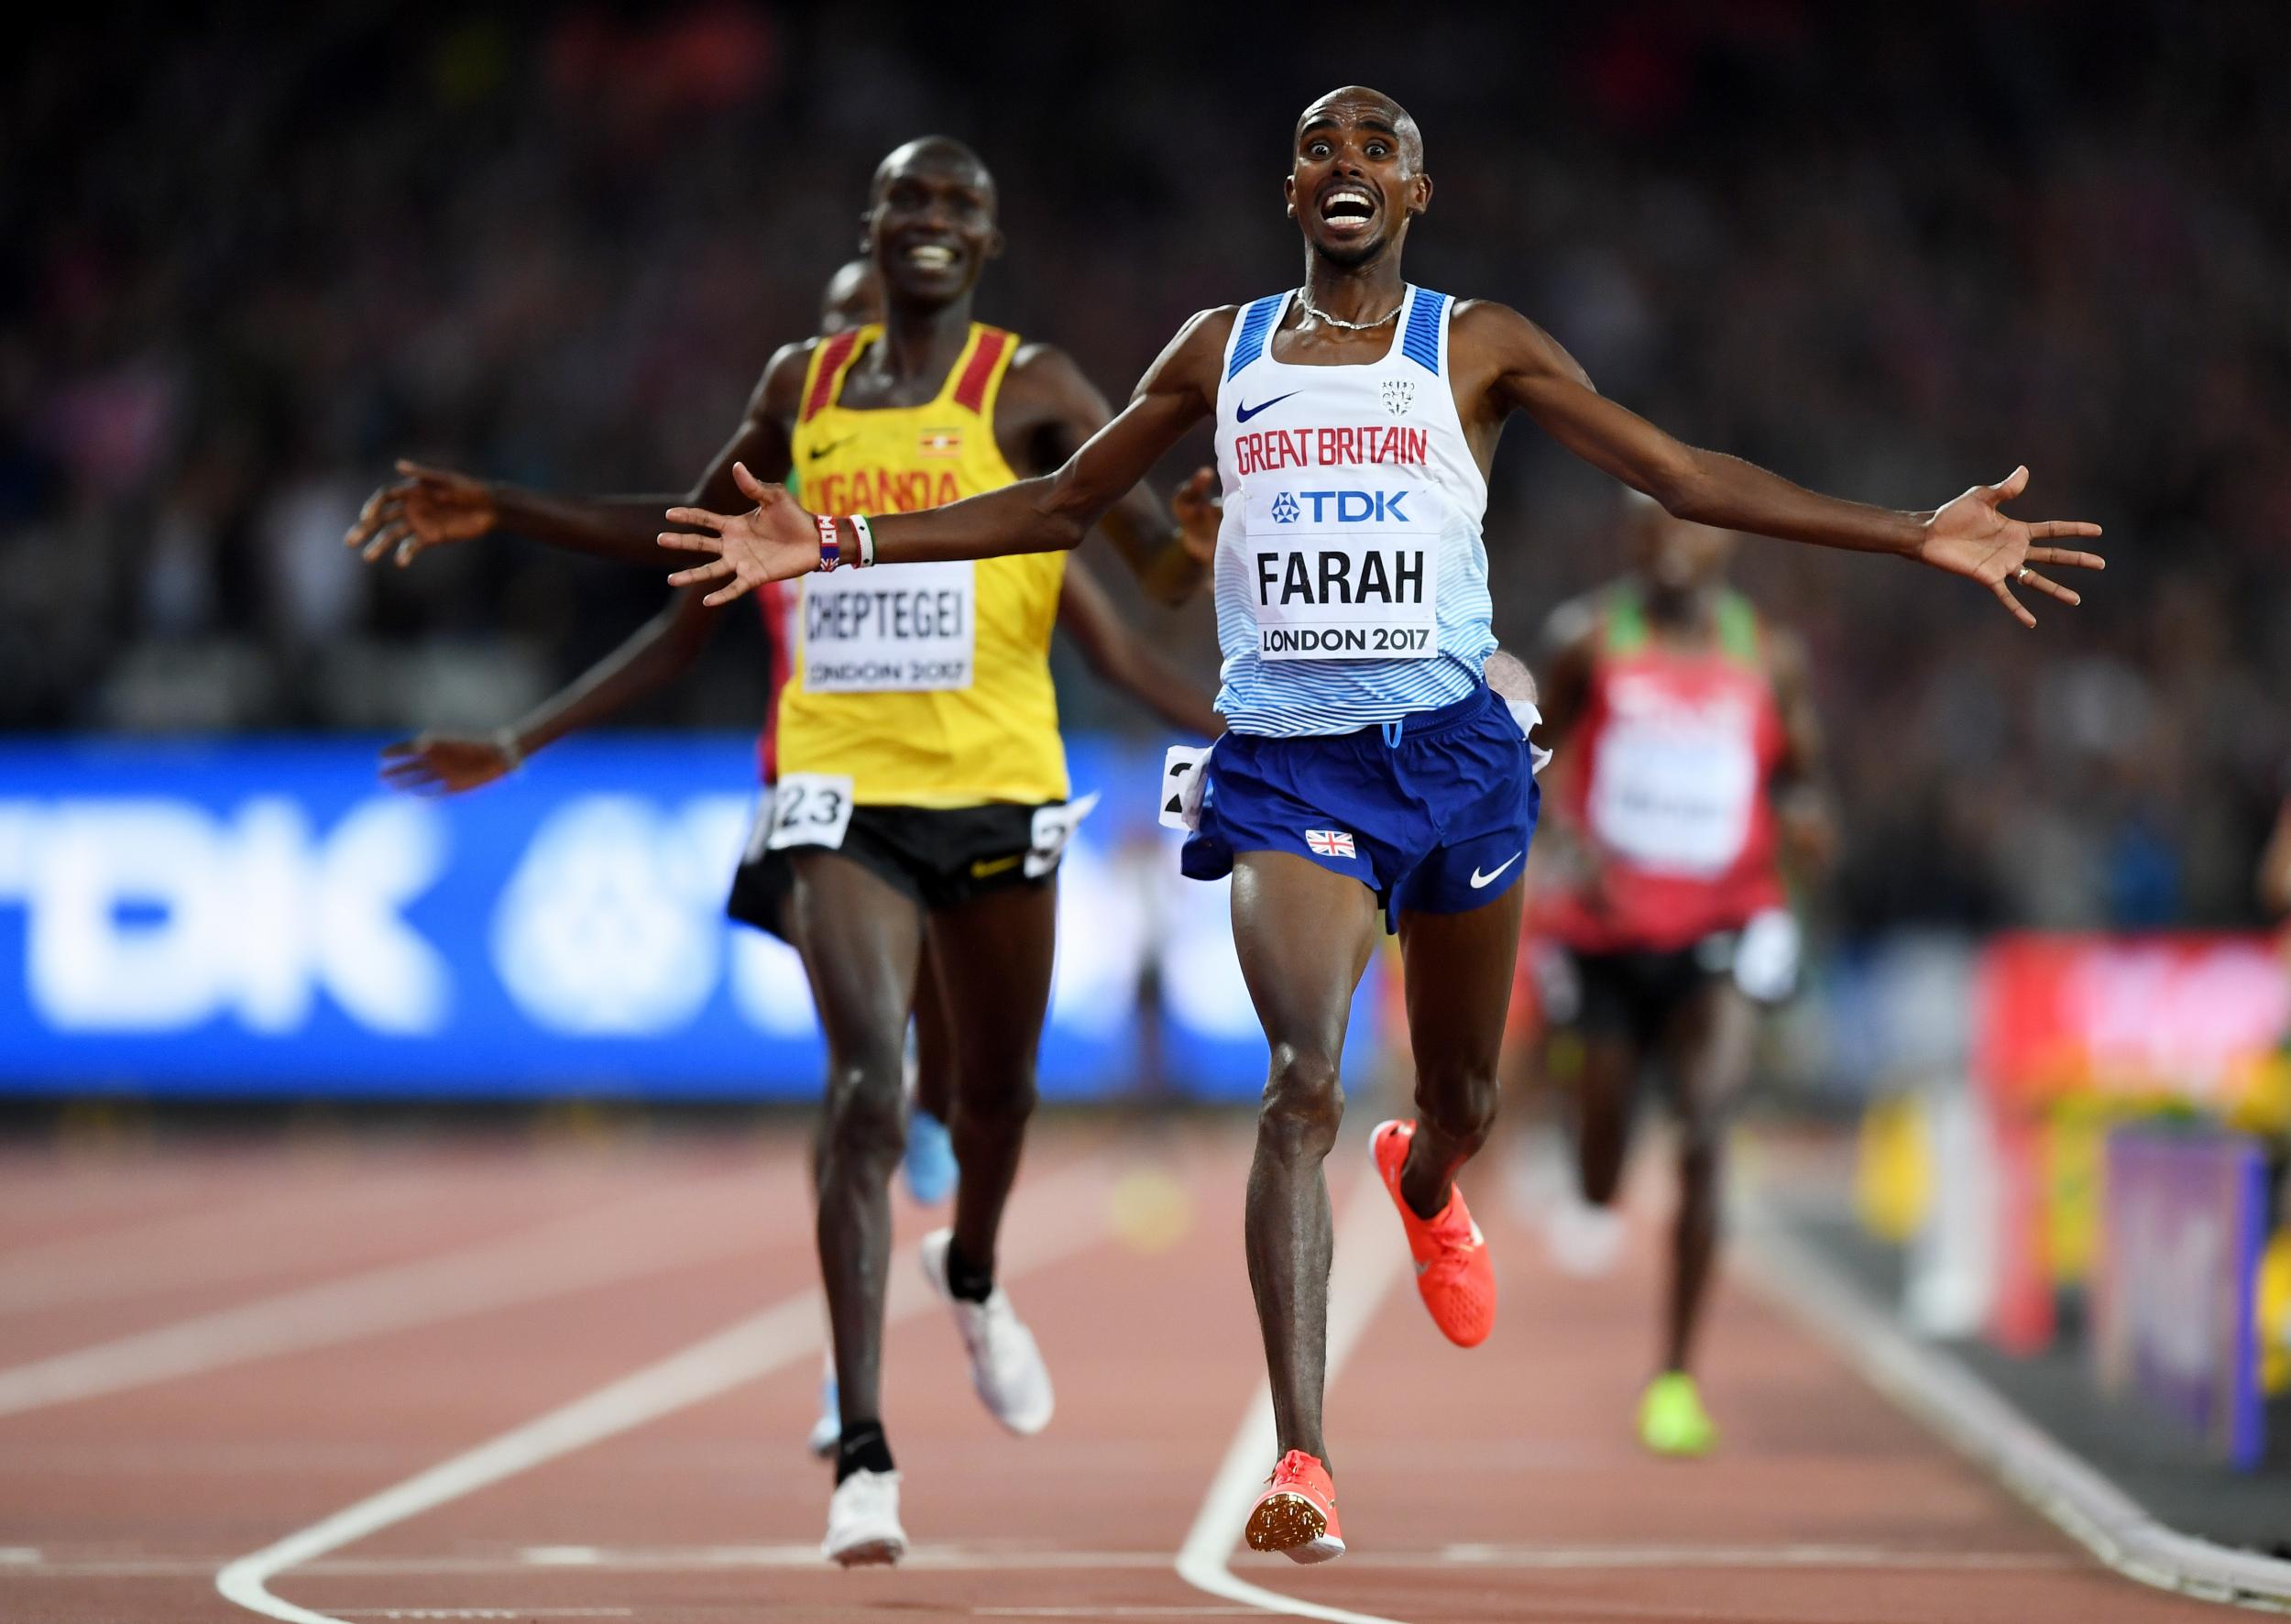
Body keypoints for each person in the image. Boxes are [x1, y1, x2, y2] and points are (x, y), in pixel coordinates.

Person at [654, 87, 2105, 1563]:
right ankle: (1306, 1459)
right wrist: (835, 536)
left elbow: (1677, 474)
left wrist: (1912, 529)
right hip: (1290, 769)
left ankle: (1431, 1176)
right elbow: (1057, 505)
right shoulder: (1216, 350)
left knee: (1466, 1093)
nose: (1349, 167)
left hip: (1462, 764)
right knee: (1299, 1083)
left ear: (1419, 192)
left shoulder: (1476, 345)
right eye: (1325, 149)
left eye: (1378, 152)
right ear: (1293, 188)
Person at [346, 138, 1219, 1567]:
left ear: (988, 241)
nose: (931, 222)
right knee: (869, 1086)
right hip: (835, 785)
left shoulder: (1039, 386)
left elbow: (1149, 582)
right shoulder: (797, 389)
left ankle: (978, 1273)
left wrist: (1190, 542)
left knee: (994, 1096)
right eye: (909, 201)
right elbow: (684, 545)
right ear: (872, 226)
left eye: (959, 206)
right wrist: (507, 523)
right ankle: (863, 1452)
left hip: (1000, 789)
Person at [1526, 493, 1833, 1457]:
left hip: (1724, 924)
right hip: (1609, 928)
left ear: (1726, 538)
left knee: (1706, 1129)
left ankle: (1675, 1374)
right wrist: (1564, 836)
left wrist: (1811, 820)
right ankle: (1591, 1119)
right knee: (1601, 1173)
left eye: (1691, 526)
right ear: (1630, 541)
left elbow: (1801, 776)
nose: (1672, 545)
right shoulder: (1588, 637)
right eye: (1651, 528)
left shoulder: (1765, 653)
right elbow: (1529, 753)